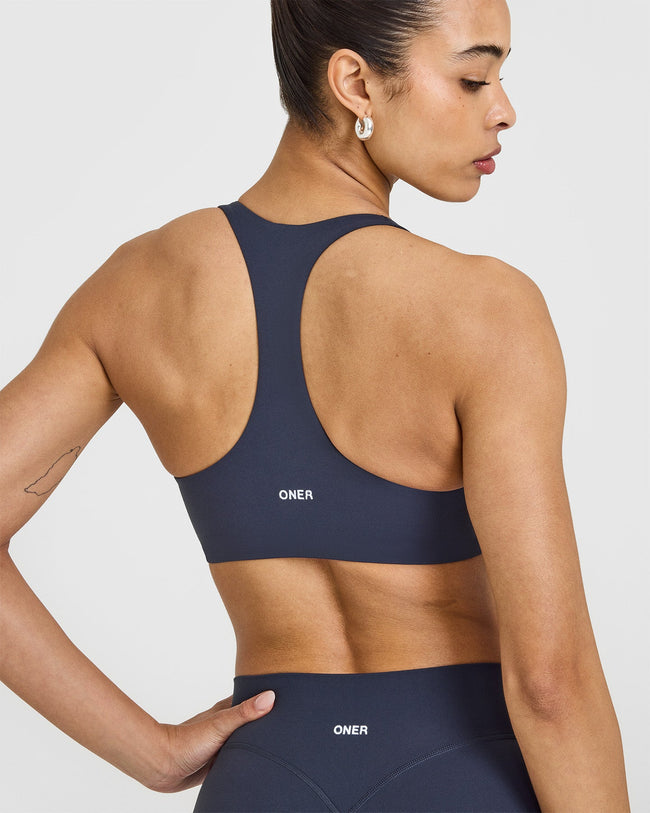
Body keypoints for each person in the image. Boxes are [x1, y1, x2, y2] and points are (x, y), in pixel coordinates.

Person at [0, 0, 631, 810]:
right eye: (475, 78)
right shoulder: (487, 310)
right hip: (459, 774)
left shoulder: (137, 287)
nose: (504, 110)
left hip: (264, 779)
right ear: (355, 84)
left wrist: (150, 753)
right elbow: (551, 682)